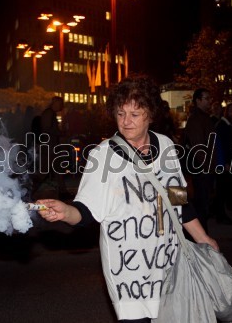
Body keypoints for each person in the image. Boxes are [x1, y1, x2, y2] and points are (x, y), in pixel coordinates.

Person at [35, 74, 218, 323]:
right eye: (120, 114)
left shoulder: (165, 146)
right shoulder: (103, 155)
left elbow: (178, 198)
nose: (126, 121)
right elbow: (87, 209)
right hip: (129, 271)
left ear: (150, 114)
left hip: (168, 262)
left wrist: (202, 237)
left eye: (134, 114)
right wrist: (65, 213)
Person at [182, 88, 216, 232]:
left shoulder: (203, 117)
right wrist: (206, 167)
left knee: (203, 203)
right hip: (202, 168)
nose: (209, 101)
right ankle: (200, 235)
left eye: (209, 98)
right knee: (201, 204)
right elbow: (198, 146)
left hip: (204, 167)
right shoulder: (197, 119)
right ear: (198, 100)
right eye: (206, 98)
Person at [38, 96, 67, 197]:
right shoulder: (49, 113)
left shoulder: (49, 113)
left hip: (50, 146)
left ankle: (63, 191)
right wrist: (59, 133)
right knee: (48, 170)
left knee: (54, 168)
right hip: (50, 146)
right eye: (60, 104)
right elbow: (47, 129)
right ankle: (29, 189)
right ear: (55, 103)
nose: (61, 106)